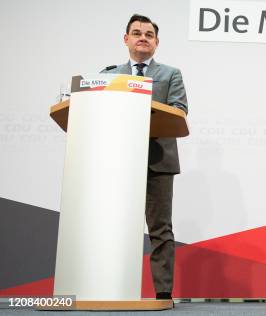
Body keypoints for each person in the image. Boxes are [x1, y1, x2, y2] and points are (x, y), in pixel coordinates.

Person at [102, 14, 188, 300]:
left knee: (160, 229)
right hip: (118, 162)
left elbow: (179, 110)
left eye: (149, 34)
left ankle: (163, 294)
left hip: (158, 160)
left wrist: (140, 104)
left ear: (156, 43)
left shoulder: (170, 74)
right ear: (126, 39)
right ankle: (109, 289)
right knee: (113, 227)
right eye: (137, 32)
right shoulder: (109, 76)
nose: (143, 37)